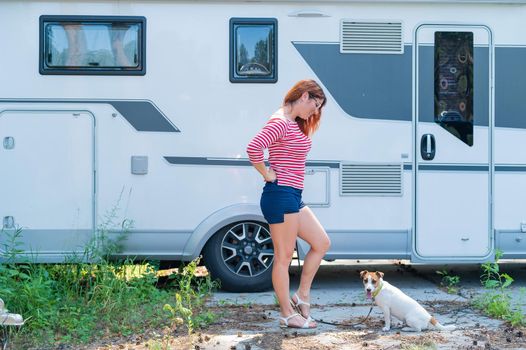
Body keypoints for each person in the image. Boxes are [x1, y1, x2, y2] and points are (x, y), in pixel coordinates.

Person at [246, 79, 331, 329]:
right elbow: (254, 148)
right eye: (315, 105)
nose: (314, 112)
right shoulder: (280, 122)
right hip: (280, 194)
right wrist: (266, 173)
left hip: (293, 195)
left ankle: (302, 295)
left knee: (322, 242)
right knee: (283, 257)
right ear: (304, 96)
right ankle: (286, 314)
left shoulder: (292, 122)